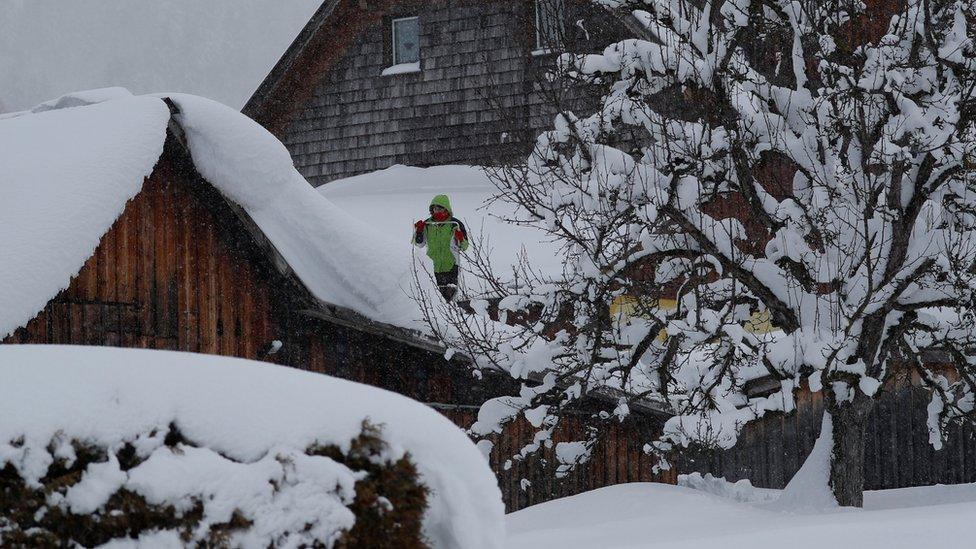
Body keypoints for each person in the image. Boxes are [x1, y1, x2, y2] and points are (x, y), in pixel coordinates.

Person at [413, 194, 469, 301]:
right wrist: (419, 232)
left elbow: (464, 247)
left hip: (451, 267)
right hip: (432, 268)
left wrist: (461, 239)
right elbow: (419, 244)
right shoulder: (427, 224)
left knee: (450, 299)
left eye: (439, 208)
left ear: (446, 209)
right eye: (434, 208)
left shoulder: (455, 224)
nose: (436, 211)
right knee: (434, 299)